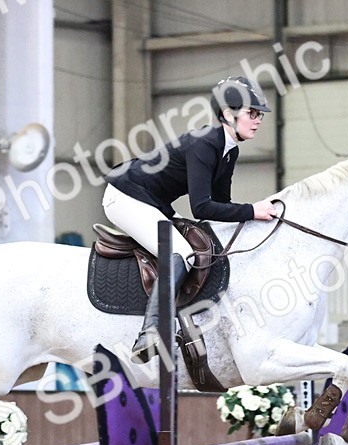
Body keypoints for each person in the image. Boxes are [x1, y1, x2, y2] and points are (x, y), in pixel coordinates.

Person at [103, 76, 278, 363]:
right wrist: (252, 211)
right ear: (227, 114)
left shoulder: (228, 150)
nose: (258, 120)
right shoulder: (205, 144)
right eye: (252, 113)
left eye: (259, 114)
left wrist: (255, 217)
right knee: (180, 252)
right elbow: (202, 207)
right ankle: (149, 333)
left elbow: (221, 205)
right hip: (125, 196)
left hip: (151, 202)